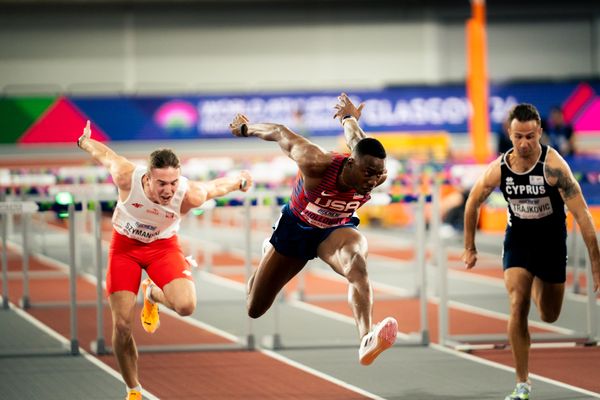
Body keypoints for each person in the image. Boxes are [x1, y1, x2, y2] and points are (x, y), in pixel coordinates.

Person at [77, 120, 252, 400]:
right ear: (147, 177)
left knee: (186, 306)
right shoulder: (126, 176)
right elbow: (106, 155)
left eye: (173, 182)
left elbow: (216, 187)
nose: (168, 190)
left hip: (163, 248)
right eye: (162, 183)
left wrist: (240, 181)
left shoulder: (188, 193)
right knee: (122, 326)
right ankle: (134, 390)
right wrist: (84, 141)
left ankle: (152, 294)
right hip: (125, 249)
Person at [229, 93, 398, 366]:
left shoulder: (375, 173)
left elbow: (356, 136)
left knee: (357, 265)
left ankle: (366, 337)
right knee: (254, 308)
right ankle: (268, 250)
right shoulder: (316, 162)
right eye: (368, 174)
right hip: (295, 229)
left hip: (335, 230)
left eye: (378, 175)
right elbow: (279, 131)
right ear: (352, 163)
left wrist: (348, 117)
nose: (373, 181)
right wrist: (246, 129)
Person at [462, 104, 600, 400]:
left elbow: (584, 217)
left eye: (530, 136)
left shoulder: (554, 167)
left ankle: (537, 278)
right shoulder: (500, 168)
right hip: (519, 238)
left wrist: (597, 268)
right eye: (518, 137)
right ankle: (522, 383)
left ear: (540, 132)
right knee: (517, 302)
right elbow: (473, 202)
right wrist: (469, 246)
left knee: (549, 315)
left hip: (551, 240)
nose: (524, 144)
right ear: (509, 135)